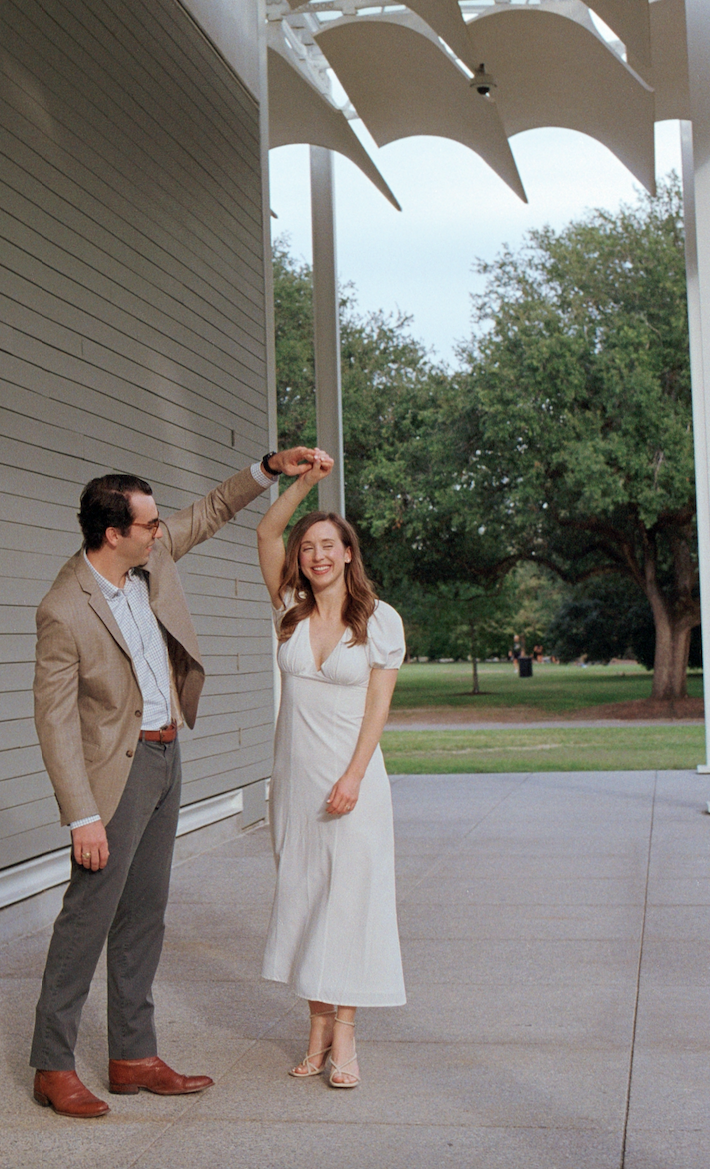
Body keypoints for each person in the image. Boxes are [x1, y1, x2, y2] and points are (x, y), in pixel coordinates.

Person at [29, 446, 315, 1119]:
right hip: (112, 776)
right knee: (87, 918)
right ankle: (52, 1064)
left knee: (144, 914)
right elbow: (55, 722)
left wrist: (272, 468)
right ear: (113, 533)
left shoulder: (149, 560)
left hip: (165, 757)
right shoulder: (63, 610)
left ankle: (133, 1054)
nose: (162, 531)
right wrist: (82, 817)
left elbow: (212, 511)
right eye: (149, 524)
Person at [255, 452, 406, 1089]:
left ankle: (344, 1033)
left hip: (352, 782)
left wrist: (353, 777)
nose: (316, 554)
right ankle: (315, 1026)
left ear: (348, 553)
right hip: (292, 784)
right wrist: (305, 483)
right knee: (306, 898)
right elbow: (266, 533)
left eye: (329, 545)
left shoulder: (378, 619)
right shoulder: (289, 606)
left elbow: (378, 710)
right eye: (309, 546)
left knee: (349, 902)